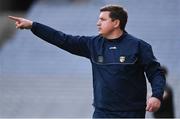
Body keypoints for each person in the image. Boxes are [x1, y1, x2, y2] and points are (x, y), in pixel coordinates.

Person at [8, 4, 166, 118]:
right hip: (102, 113)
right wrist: (33, 26)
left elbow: (156, 73)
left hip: (131, 114)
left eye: (103, 19)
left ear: (116, 23)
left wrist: (156, 95)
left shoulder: (138, 46)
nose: (98, 23)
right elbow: (62, 39)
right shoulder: (92, 45)